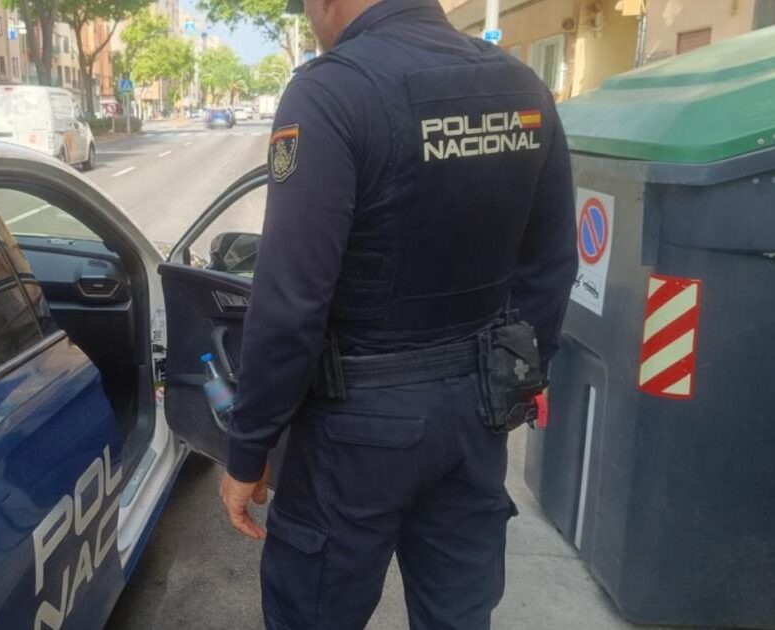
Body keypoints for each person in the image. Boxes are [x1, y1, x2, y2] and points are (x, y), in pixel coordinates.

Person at [215, 0, 578, 628]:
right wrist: (514, 378)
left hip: (355, 430)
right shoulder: (522, 87)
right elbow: (550, 264)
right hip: (476, 419)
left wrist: (248, 449)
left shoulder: (332, 92)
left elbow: (291, 302)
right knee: (458, 615)